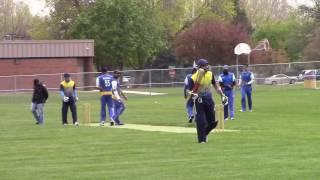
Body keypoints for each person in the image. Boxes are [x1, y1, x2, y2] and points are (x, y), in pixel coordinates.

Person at [187, 59, 228, 143]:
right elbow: (188, 90)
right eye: (205, 65)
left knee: (213, 122)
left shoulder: (210, 74)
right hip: (199, 100)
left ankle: (204, 134)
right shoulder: (193, 77)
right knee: (201, 121)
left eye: (207, 65)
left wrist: (222, 95)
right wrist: (192, 94)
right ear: (199, 67)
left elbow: (216, 86)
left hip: (209, 99)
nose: (207, 66)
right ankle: (202, 140)